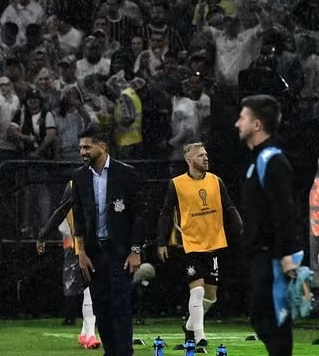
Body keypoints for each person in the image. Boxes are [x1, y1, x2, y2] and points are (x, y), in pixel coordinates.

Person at [156, 142, 243, 350]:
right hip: (190, 244)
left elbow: (229, 206)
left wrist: (239, 225)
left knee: (211, 297)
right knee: (197, 292)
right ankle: (200, 337)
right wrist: (161, 241)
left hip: (212, 243)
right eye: (201, 155)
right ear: (189, 160)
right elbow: (165, 213)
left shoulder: (216, 181)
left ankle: (189, 326)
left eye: (206, 154)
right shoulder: (176, 184)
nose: (206, 158)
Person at [235, 94, 303, 356]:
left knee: (275, 326)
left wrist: (287, 255)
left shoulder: (272, 160)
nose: (237, 124)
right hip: (260, 258)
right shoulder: (258, 161)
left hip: (273, 259)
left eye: (242, 118)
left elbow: (284, 210)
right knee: (262, 319)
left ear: (256, 125)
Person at [71, 125, 147, 356]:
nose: (82, 152)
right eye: (81, 147)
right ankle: (111, 351)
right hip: (94, 253)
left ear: (102, 146)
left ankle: (124, 352)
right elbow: (79, 217)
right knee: (101, 305)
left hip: (120, 252)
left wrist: (136, 250)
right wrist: (81, 253)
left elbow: (140, 214)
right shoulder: (79, 177)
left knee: (120, 305)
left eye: (87, 147)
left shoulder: (126, 173)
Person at [37, 180, 102, 349]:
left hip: (106, 243)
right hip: (83, 244)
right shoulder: (74, 185)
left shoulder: (113, 179)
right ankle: (91, 335)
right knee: (89, 288)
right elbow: (61, 211)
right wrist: (44, 233)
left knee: (100, 290)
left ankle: (84, 331)